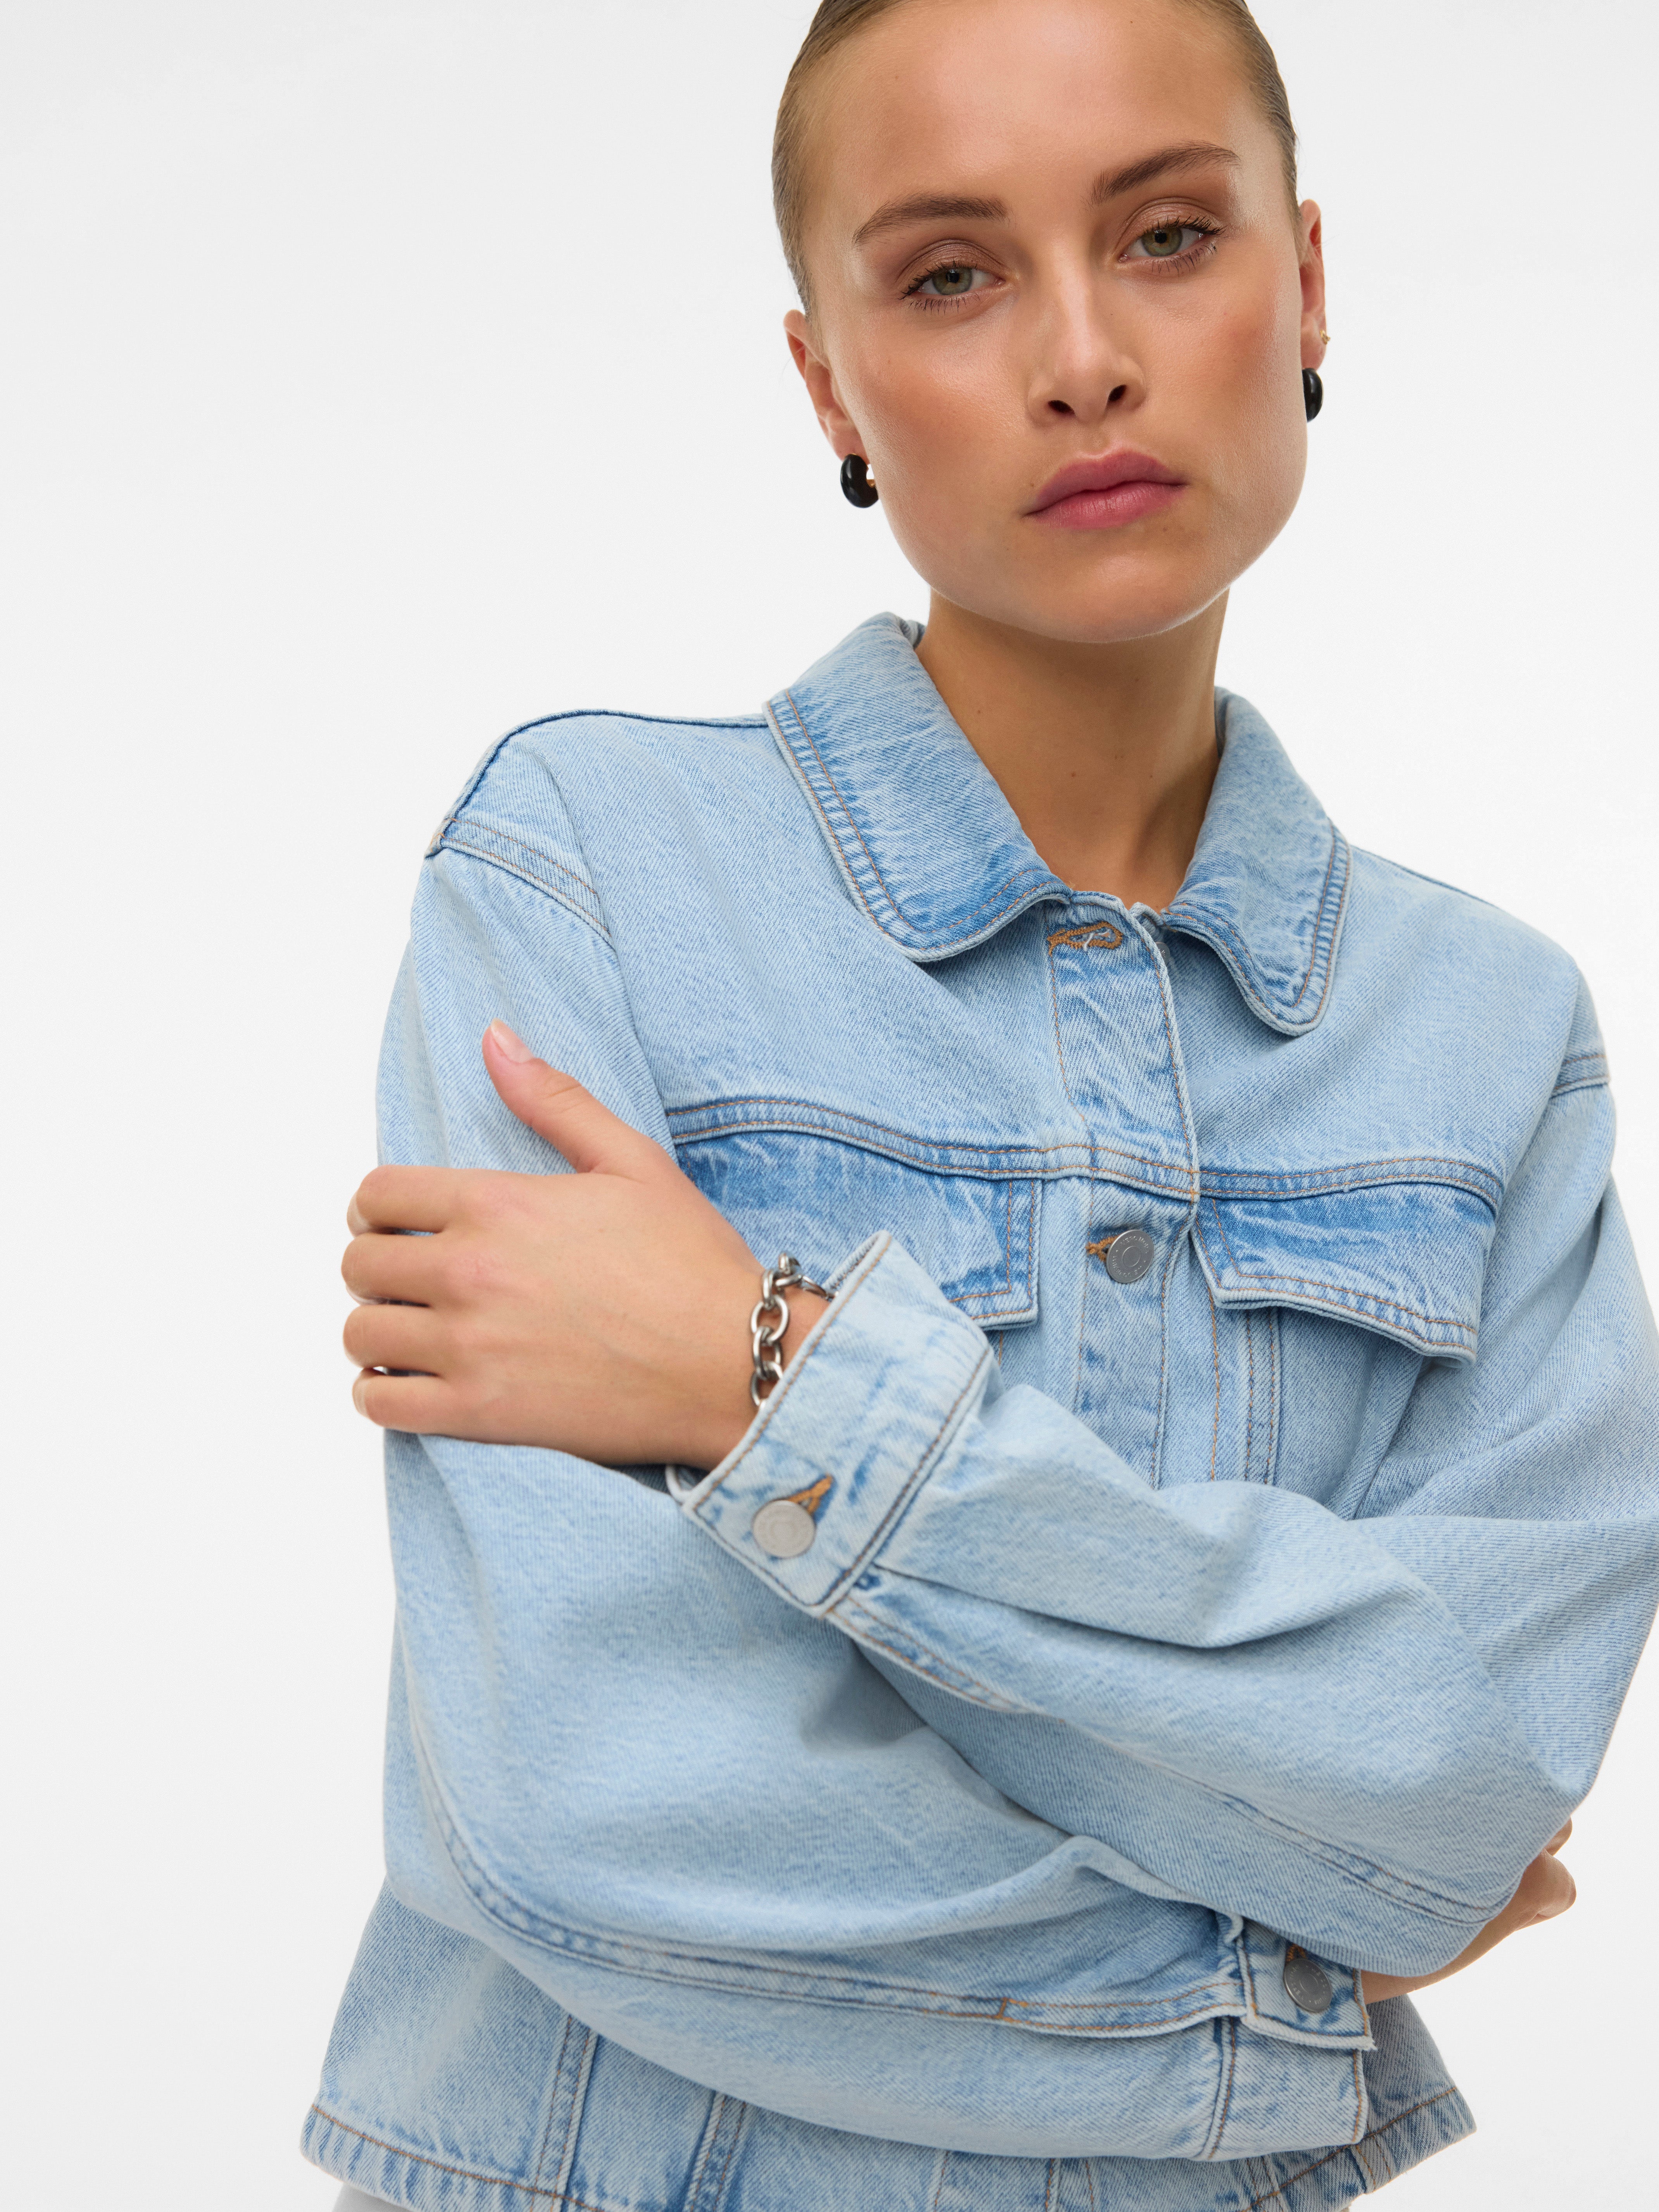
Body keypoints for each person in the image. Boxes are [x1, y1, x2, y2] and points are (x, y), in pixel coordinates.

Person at [305, 2, 1659, 2208]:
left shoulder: (1489, 1042)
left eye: (1166, 236)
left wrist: (765, 1377)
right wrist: (1276, 1972)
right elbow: (597, 1804)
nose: (1083, 361)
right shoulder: (590, 881)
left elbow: (1465, 1781)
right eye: (950, 275)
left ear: (1308, 283)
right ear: (829, 384)